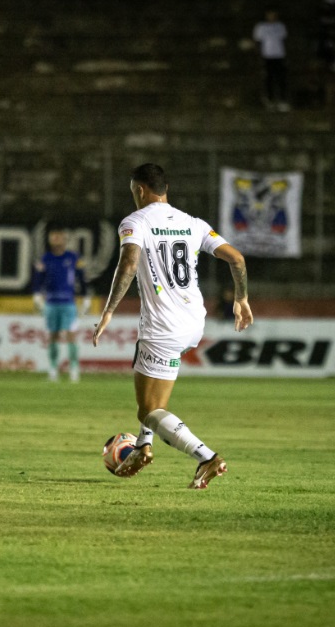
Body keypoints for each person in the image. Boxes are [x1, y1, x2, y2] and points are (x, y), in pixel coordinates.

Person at [92, 163, 253, 490]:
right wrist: (242, 299)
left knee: (148, 410)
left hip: (162, 325)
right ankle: (142, 447)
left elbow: (129, 263)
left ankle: (206, 457)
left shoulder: (135, 221)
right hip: (193, 322)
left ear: (139, 190)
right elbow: (237, 259)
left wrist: (109, 310)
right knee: (154, 404)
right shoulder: (192, 223)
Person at [32, 226, 89, 383]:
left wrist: (85, 297)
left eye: (59, 238)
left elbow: (82, 279)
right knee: (53, 336)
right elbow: (38, 280)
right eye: (53, 238)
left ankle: (74, 369)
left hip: (68, 303)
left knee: (71, 335)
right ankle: (53, 369)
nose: (56, 241)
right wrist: (37, 295)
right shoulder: (45, 259)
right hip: (51, 303)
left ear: (64, 240)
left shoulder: (73, 258)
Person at [252, 9, 289, 111]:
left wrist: (286, 56)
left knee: (281, 78)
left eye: (274, 14)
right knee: (268, 78)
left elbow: (284, 40)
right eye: (269, 14)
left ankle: (282, 100)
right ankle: (270, 100)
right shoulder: (261, 27)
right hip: (267, 56)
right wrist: (259, 56)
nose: (272, 16)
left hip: (279, 55)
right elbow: (257, 41)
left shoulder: (280, 26)